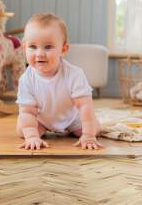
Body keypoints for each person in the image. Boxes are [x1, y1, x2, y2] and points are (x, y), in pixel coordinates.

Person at [16, 13, 103, 150]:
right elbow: (27, 111)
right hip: (43, 120)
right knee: (23, 130)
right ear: (24, 48)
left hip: (72, 119)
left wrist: (89, 135)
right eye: (33, 47)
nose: (39, 53)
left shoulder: (74, 75)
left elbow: (85, 106)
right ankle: (38, 132)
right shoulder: (26, 79)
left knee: (91, 129)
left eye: (48, 47)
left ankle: (93, 127)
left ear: (63, 50)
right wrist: (32, 136)